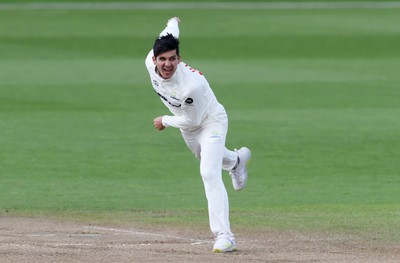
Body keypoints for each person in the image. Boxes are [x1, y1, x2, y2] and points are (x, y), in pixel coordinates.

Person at [145, 17, 251, 253]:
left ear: (179, 59)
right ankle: (236, 161)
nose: (167, 64)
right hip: (189, 127)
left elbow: (192, 119)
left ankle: (225, 235)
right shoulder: (149, 61)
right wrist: (173, 22)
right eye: (162, 59)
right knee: (206, 159)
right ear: (154, 59)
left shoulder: (190, 85)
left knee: (208, 172)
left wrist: (165, 120)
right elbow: (169, 33)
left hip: (210, 120)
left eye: (173, 59)